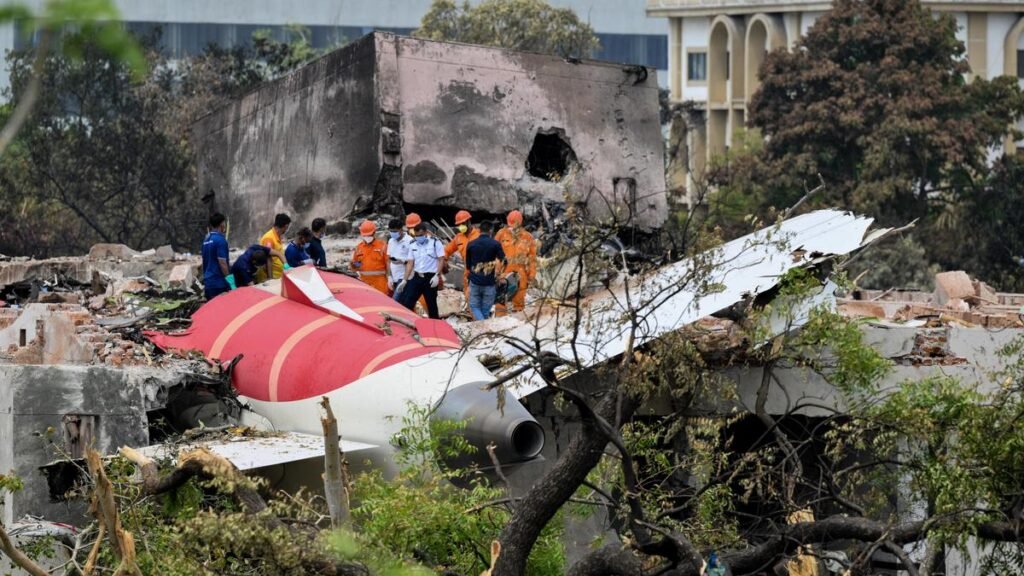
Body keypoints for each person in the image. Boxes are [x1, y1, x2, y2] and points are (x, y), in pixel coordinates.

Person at [398, 222, 445, 319]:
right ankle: (408, 324)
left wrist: (437, 275)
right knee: (407, 302)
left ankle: (435, 328)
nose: (418, 238)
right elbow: (410, 263)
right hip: (417, 277)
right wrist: (404, 280)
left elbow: (441, 260)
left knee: (431, 305)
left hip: (430, 278)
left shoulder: (435, 242)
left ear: (426, 233)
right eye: (416, 236)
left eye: (420, 235)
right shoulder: (413, 244)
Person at [494, 210, 537, 313]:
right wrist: (495, 270)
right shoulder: (501, 234)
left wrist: (532, 274)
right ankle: (499, 322)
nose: (512, 227)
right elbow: (493, 252)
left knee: (519, 302)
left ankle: (517, 321)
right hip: (504, 271)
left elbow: (532, 258)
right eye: (510, 224)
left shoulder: (528, 237)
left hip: (521, 273)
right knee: (500, 300)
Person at [465, 220, 505, 320]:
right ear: (491, 230)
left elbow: (468, 266)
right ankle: (484, 329)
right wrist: (499, 274)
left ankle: (482, 329)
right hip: (489, 282)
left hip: (475, 282)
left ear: (479, 230)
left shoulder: (471, 244)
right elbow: (504, 261)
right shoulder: (495, 244)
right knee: (485, 310)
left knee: (474, 307)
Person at [444, 209, 480, 302]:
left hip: (480, 271)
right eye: (459, 225)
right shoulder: (458, 238)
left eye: (463, 224)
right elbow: (447, 250)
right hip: (467, 272)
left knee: (479, 298)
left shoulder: (479, 235)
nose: (461, 226)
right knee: (469, 297)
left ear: (469, 222)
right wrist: (444, 260)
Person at [350, 220, 389, 294]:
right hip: (364, 283)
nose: (367, 237)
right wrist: (354, 265)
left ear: (374, 233)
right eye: (365, 235)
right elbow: (357, 265)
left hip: (380, 284)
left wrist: (390, 278)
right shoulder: (359, 248)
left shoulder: (383, 246)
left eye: (369, 235)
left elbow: (389, 265)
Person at [201, 212, 231, 300]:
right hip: (219, 284)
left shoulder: (206, 241)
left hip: (208, 283)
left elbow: (205, 261)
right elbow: (222, 262)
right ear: (222, 224)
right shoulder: (221, 241)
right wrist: (230, 281)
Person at [259, 213, 291, 281]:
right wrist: (270, 279)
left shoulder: (277, 236)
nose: (286, 230)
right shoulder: (269, 238)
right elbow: (268, 258)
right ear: (285, 226)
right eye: (287, 228)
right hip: (271, 278)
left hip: (278, 276)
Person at [386, 218, 408, 297]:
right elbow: (388, 260)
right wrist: (389, 277)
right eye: (391, 231)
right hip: (394, 277)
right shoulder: (391, 241)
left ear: (401, 230)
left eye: (395, 231)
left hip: (404, 277)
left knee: (396, 301)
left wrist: (403, 261)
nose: (393, 233)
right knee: (403, 303)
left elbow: (414, 261)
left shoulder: (409, 241)